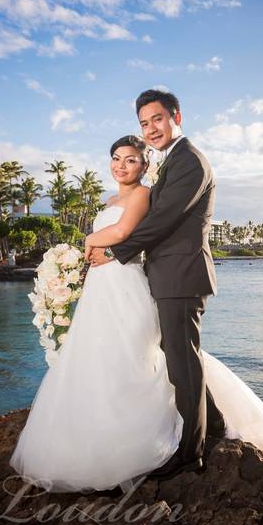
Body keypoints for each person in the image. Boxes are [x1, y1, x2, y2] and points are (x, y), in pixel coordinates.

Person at [8, 133, 263, 494]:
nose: (122, 166)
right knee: (100, 356)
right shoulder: (109, 198)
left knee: (143, 356)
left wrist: (89, 242)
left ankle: (188, 434)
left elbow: (123, 231)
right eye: (116, 158)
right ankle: (112, 427)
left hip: (126, 283)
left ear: (145, 164)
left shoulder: (143, 195)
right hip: (101, 287)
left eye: (131, 160)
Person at [87, 89, 226, 480]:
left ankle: (190, 453)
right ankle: (212, 428)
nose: (151, 128)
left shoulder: (190, 161)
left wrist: (116, 253)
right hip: (168, 276)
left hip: (182, 276)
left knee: (183, 362)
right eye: (144, 123)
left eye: (158, 119)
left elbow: (163, 218)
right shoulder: (171, 162)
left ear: (176, 116)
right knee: (178, 356)